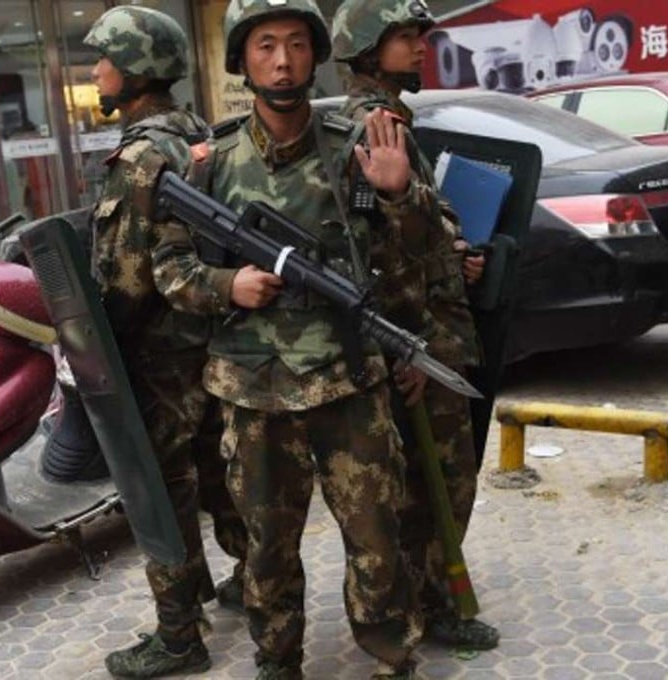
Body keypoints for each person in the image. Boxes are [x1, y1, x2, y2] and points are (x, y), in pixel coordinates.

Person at [152, 1, 452, 677]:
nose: (282, 62)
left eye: (295, 44)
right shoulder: (210, 162)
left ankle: (390, 653)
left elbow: (419, 257)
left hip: (349, 380)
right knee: (267, 547)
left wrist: (400, 195)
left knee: (377, 534)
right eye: (265, 46)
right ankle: (278, 661)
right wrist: (227, 285)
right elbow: (169, 268)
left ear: (316, 54)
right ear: (242, 59)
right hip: (253, 389)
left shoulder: (356, 145)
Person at [81, 7, 246, 678]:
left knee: (162, 488)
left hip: (161, 357)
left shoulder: (140, 155)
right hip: (217, 344)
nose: (97, 71)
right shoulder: (201, 136)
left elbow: (128, 279)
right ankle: (256, 581)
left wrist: (99, 343)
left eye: (105, 60)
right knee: (223, 471)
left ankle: (179, 635)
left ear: (135, 68)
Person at [332, 0, 499, 652]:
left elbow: (416, 225)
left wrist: (453, 250)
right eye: (406, 37)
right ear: (368, 48)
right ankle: (428, 605)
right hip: (418, 337)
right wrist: (409, 346)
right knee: (436, 482)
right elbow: (371, 253)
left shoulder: (392, 121)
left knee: (441, 480)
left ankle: (427, 598)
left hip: (433, 330)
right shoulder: (371, 130)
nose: (421, 47)